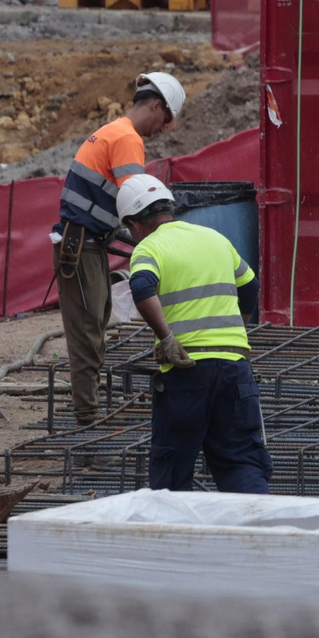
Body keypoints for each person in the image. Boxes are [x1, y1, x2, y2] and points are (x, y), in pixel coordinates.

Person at [119, 172, 272, 493]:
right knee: (242, 463)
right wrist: (238, 328)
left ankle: (172, 539)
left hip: (186, 372)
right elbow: (251, 284)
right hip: (235, 369)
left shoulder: (149, 247)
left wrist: (167, 338)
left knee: (172, 474)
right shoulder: (215, 238)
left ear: (133, 224)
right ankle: (259, 535)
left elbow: (142, 286)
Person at [52, 71, 185, 427]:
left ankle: (88, 412)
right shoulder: (128, 139)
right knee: (87, 336)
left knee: (93, 331)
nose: (162, 129)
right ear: (156, 106)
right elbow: (137, 206)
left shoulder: (115, 131)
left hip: (85, 244)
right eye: (165, 120)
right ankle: (87, 420)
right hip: (81, 248)